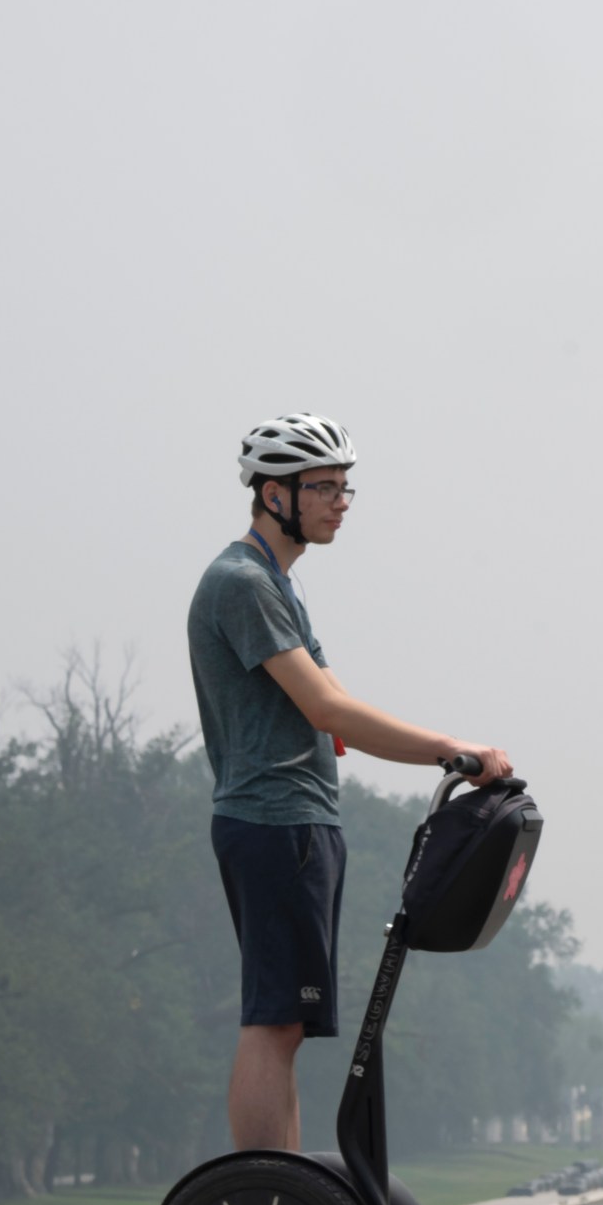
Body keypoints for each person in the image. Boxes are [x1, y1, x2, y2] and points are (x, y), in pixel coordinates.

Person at [190, 413, 513, 1152]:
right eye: (324, 487)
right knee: (274, 1019)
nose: (340, 501)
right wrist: (449, 748)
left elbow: (332, 710)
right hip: (274, 822)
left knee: (289, 1023)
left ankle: (289, 1185)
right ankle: (267, 1191)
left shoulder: (278, 586)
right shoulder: (241, 583)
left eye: (345, 487)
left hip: (301, 821)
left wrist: (410, 741)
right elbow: (328, 707)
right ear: (275, 494)